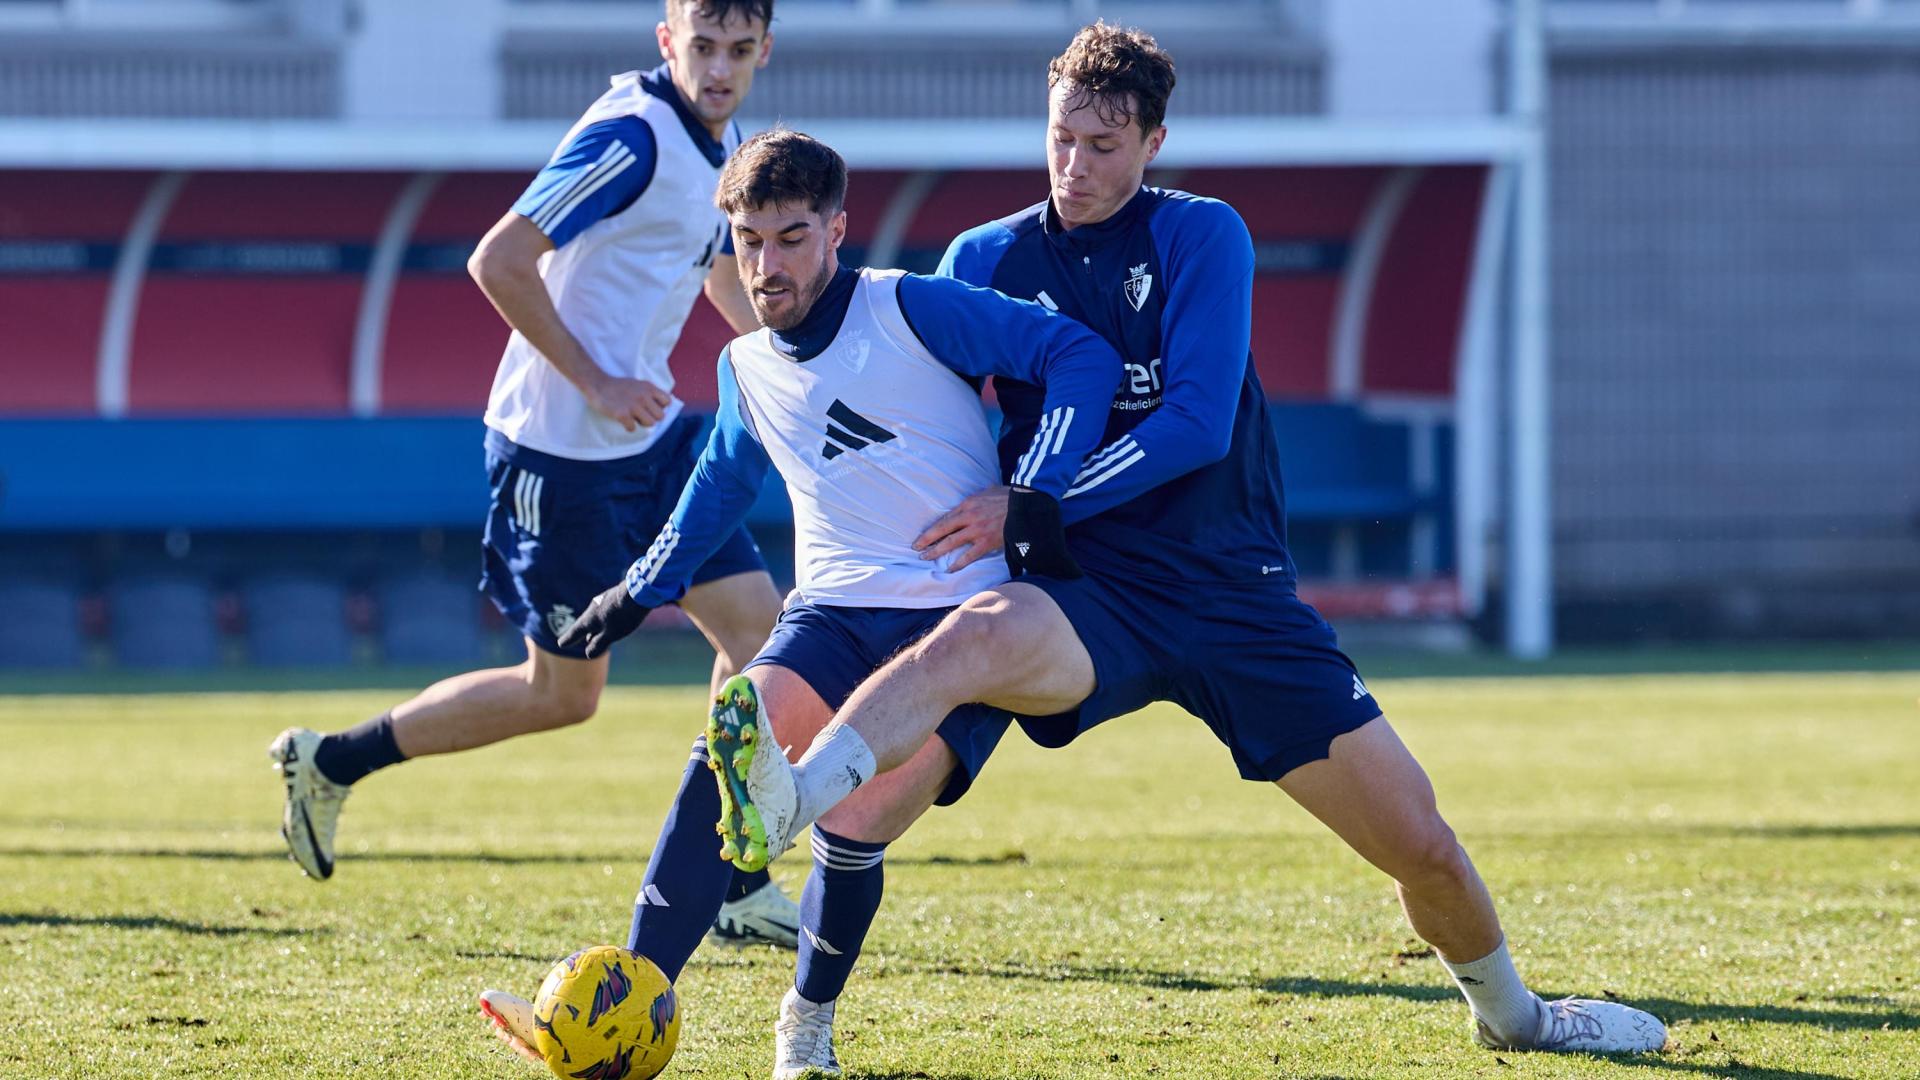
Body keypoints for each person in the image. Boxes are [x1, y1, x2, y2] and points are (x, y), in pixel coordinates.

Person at [706, 22, 1670, 1072]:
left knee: (1422, 846)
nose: (1075, 166)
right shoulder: (982, 258)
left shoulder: (1202, 236)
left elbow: (1196, 426)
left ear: (1154, 144)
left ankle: (1517, 1016)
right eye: (1061, 139)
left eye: (1105, 147)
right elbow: (925, 420)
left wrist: (1038, 495)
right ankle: (798, 897)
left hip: (1230, 595)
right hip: (1087, 595)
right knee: (942, 684)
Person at [473, 128, 1123, 1078]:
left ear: (836, 230)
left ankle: (805, 1026)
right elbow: (718, 485)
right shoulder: (747, 368)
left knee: (857, 821)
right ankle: (626, 1004)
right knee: (737, 742)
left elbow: (1079, 355)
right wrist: (634, 590)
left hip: (960, 625)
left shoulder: (912, 308)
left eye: (789, 237)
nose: (766, 264)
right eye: (747, 240)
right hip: (829, 611)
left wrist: (1036, 492)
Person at [266, 0, 800, 947]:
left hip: (654, 446)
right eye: (703, 46)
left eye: (739, 49)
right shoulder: (630, 139)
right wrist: (595, 378)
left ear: (765, 51)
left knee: (762, 632)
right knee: (562, 697)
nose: (719, 67)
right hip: (559, 458)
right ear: (668, 41)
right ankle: (332, 762)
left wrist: (799, 362)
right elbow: (500, 259)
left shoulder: (726, 144)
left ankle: (730, 874)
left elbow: (718, 266)